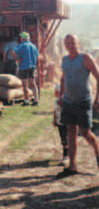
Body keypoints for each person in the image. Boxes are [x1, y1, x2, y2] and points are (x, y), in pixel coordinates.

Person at [56, 34, 99, 178]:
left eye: (72, 43)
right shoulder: (65, 60)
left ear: (78, 43)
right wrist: (61, 95)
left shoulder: (85, 58)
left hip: (83, 102)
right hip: (68, 102)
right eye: (67, 43)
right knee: (71, 132)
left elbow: (97, 76)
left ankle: (98, 155)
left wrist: (97, 98)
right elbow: (63, 78)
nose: (70, 46)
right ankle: (73, 166)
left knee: (86, 134)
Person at [11, 32, 39, 106]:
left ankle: (26, 101)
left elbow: (12, 51)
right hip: (32, 67)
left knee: (25, 85)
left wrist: (17, 59)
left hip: (24, 67)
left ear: (22, 38)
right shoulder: (33, 46)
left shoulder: (21, 46)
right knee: (33, 84)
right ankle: (36, 100)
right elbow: (37, 56)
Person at [53, 83, 69, 166]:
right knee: (63, 138)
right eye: (56, 92)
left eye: (58, 92)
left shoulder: (67, 102)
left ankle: (66, 155)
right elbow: (55, 111)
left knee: (66, 138)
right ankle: (66, 152)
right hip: (60, 122)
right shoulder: (56, 101)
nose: (56, 94)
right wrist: (54, 119)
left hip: (67, 122)